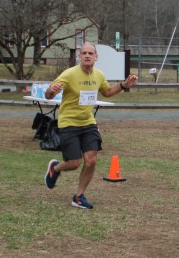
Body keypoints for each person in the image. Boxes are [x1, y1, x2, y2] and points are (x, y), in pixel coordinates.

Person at [43, 43, 138, 209]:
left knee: (91, 160)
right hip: (69, 123)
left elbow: (107, 92)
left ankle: (79, 196)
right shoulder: (69, 74)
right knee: (74, 163)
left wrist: (123, 85)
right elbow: (48, 95)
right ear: (79, 57)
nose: (87, 56)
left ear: (96, 57)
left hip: (88, 123)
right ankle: (55, 168)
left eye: (90, 53)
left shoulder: (99, 75)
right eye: (84, 53)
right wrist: (52, 90)